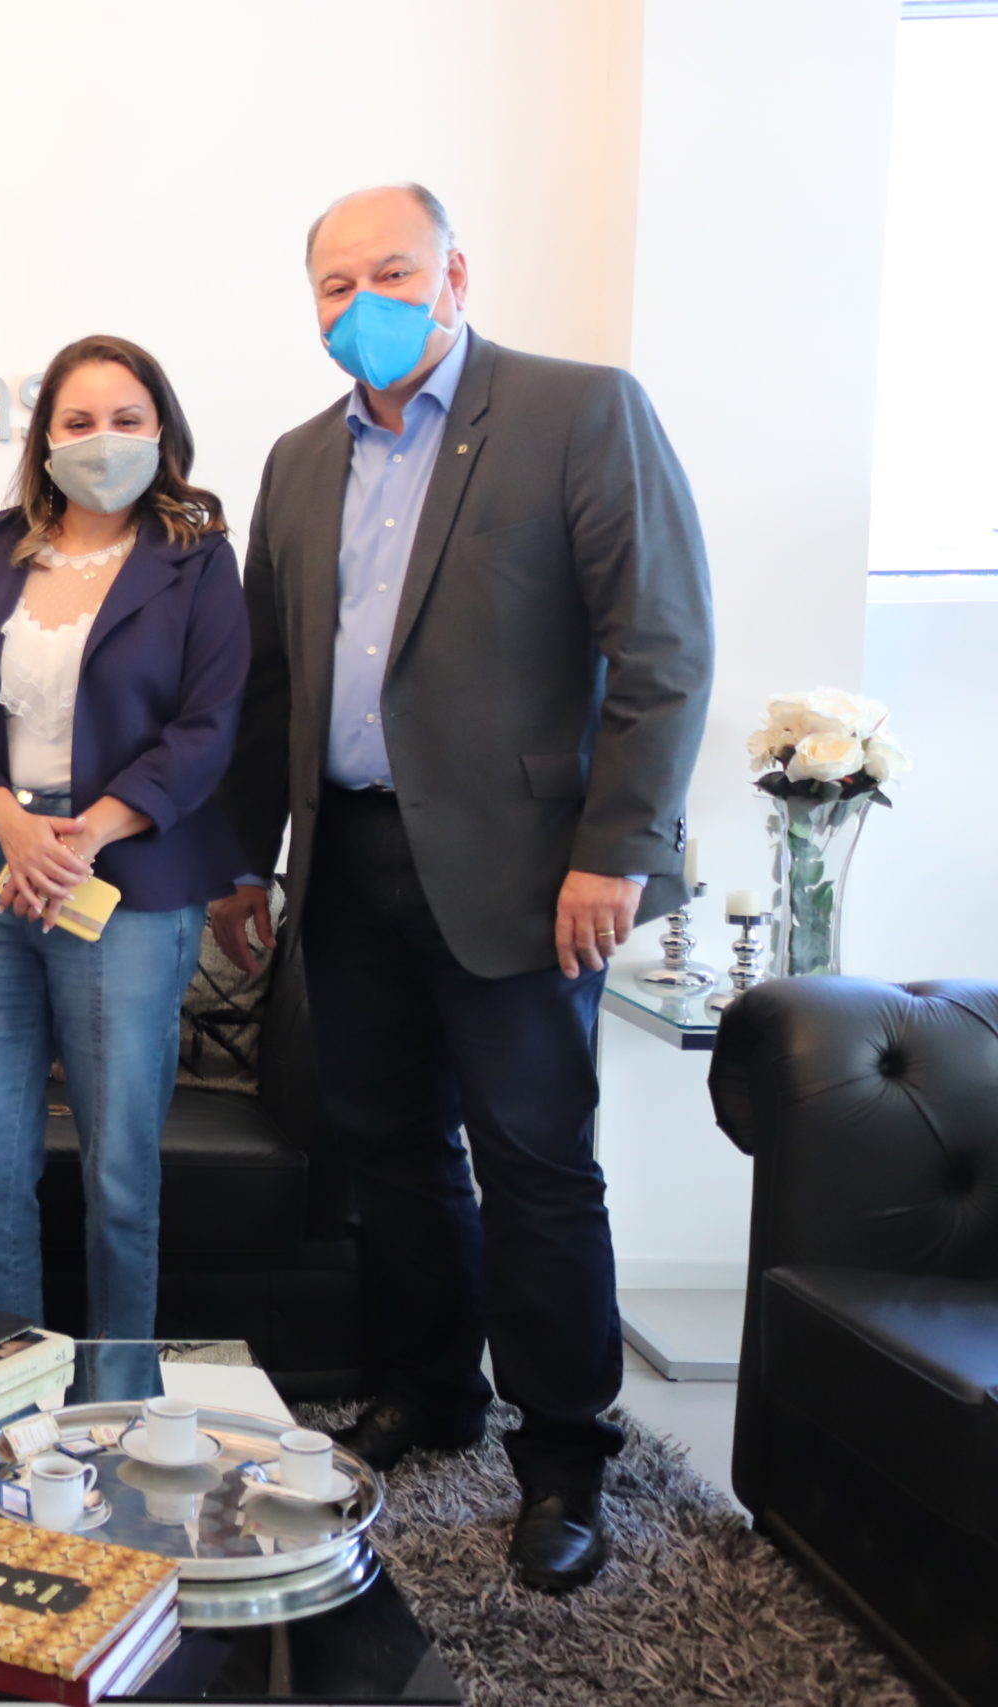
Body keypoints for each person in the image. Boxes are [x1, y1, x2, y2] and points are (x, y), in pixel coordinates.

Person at [213, 185, 714, 1592]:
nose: (360, 302)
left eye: (390, 272)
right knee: (391, 1151)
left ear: (453, 276)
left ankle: (563, 1454)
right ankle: (430, 1391)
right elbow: (269, 680)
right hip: (349, 860)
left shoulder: (578, 410)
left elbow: (662, 645)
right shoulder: (297, 460)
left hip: (530, 870)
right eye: (333, 284)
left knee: (536, 1164)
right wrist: (247, 853)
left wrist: (615, 849)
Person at [0, 334, 249, 1340]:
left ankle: (117, 1394)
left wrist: (81, 838)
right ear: (46, 440)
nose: (103, 438)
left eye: (126, 419)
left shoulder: (198, 561)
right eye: (79, 421)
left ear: (162, 432)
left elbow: (208, 726)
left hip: (125, 883)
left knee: (118, 1171)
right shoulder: (0, 554)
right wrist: (13, 828)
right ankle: (17, 1387)